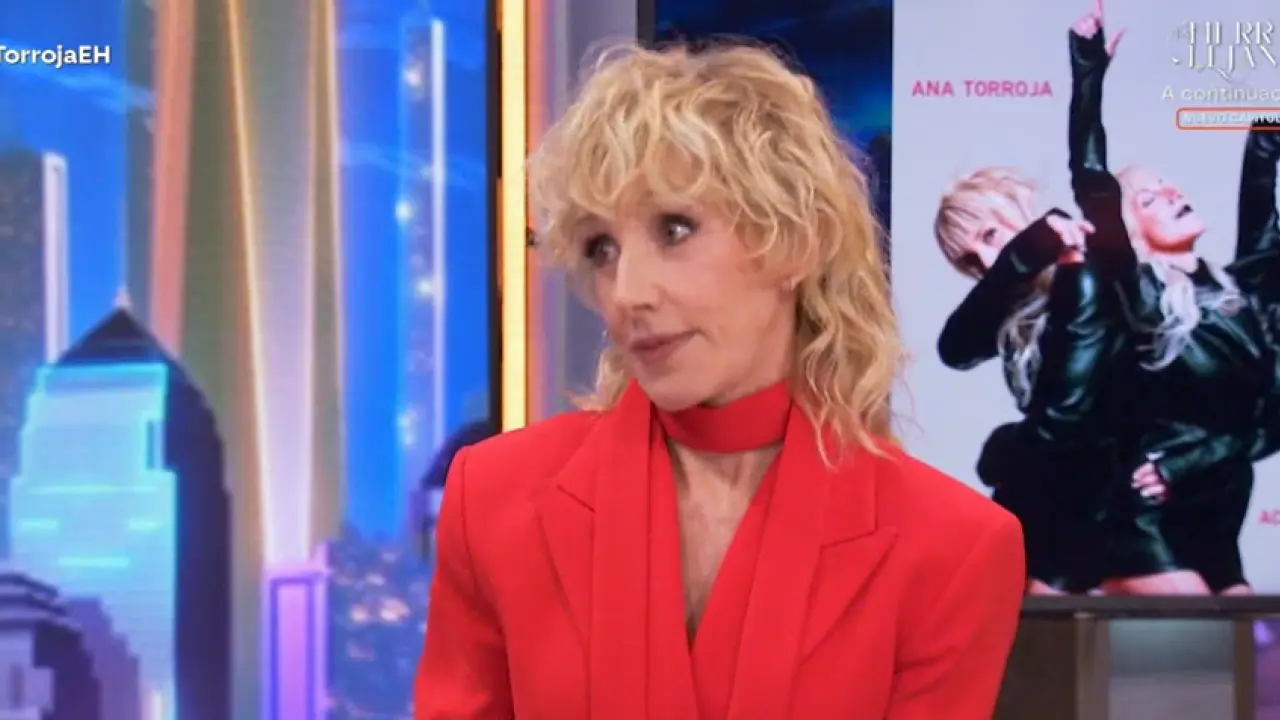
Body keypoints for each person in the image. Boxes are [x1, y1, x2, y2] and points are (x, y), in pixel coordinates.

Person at [414, 42, 1025, 719]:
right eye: (600, 248)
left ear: (796, 238)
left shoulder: (953, 551)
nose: (627, 292)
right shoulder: (493, 502)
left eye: (674, 229)